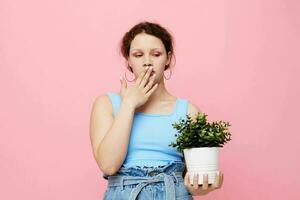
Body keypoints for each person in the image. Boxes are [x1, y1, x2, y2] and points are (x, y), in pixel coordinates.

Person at [89, 21, 223, 200]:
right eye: (138, 55)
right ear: (128, 60)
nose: (147, 62)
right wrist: (129, 104)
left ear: (167, 58)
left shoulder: (189, 112)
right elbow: (108, 165)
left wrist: (200, 187)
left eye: (156, 54)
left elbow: (195, 178)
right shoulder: (106, 104)